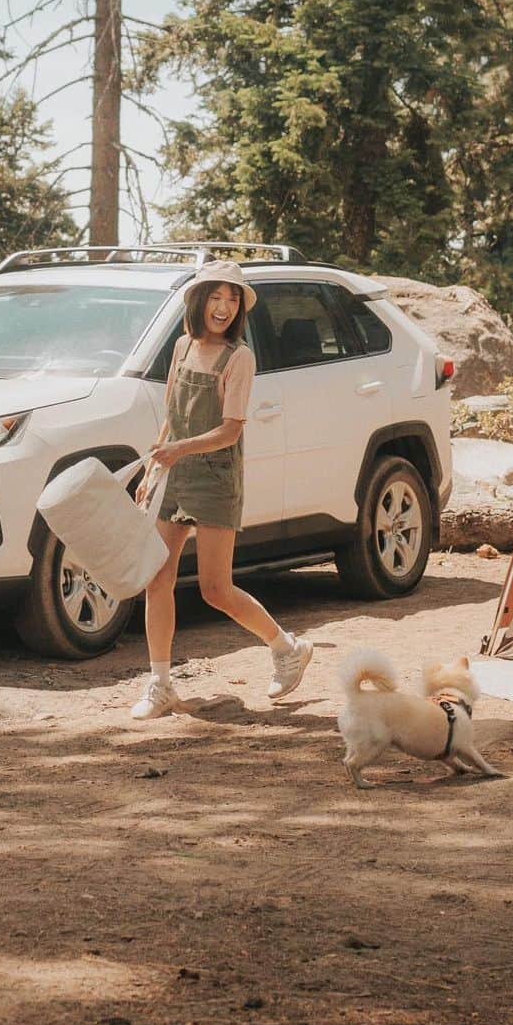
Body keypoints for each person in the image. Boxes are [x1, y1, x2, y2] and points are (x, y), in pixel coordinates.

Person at [131, 260, 313, 720]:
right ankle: (161, 684)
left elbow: (231, 431)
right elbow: (172, 417)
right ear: (199, 300)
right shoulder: (181, 347)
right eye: (217, 296)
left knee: (215, 588)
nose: (225, 307)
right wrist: (153, 472)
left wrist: (179, 450)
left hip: (215, 477)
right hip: (175, 476)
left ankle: (287, 647)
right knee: (158, 578)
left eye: (233, 299)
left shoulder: (240, 357)